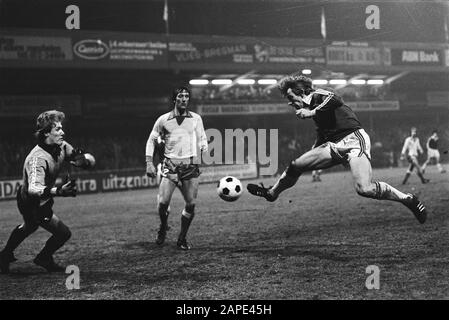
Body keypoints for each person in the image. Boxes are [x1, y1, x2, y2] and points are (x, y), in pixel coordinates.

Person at [247, 75, 428, 224]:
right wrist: (313, 151)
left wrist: (311, 112)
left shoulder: (318, 95)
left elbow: (335, 99)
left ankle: (408, 199)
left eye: (290, 97)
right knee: (296, 165)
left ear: (301, 92)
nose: (289, 103)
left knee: (364, 189)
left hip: (354, 140)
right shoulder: (314, 108)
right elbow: (323, 133)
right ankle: (271, 194)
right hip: (334, 145)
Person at [0, 110, 94, 274]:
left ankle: (4, 255)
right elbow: (34, 189)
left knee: (29, 226)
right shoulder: (37, 159)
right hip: (32, 202)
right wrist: (59, 191)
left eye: (61, 128)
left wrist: (83, 161)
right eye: (57, 129)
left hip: (35, 198)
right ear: (45, 133)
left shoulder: (61, 145)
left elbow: (74, 156)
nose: (62, 132)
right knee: (63, 233)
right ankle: (43, 258)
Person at [146, 86, 208, 250]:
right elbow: (151, 140)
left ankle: (182, 238)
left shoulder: (196, 118)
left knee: (191, 205)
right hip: (171, 166)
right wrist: (149, 162)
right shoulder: (163, 120)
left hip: (190, 166)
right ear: (174, 99)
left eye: (187, 96)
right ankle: (163, 226)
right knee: (163, 203)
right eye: (181, 96)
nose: (184, 99)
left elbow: (202, 137)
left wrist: (203, 147)